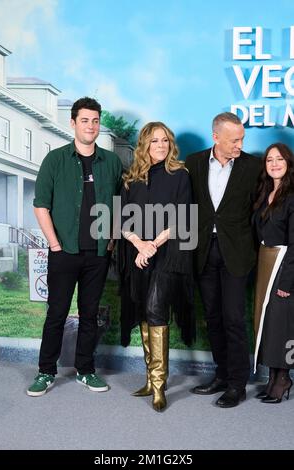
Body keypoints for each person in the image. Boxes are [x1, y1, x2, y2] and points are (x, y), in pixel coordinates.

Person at [27, 97, 123, 397]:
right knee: (56, 313)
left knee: (90, 314)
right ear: (72, 123)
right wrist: (54, 244)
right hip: (63, 251)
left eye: (95, 120)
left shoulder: (112, 162)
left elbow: (120, 206)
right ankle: (45, 371)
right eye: (85, 120)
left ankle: (85, 370)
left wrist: (110, 240)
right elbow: (40, 205)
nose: (91, 126)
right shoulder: (55, 160)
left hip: (97, 254)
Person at [185, 112, 261, 408]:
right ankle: (221, 374)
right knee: (214, 318)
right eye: (234, 140)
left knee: (233, 319)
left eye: (242, 139)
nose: (240, 145)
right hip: (203, 250)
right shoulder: (193, 163)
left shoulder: (253, 167)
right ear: (215, 137)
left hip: (237, 252)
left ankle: (237, 384)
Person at [118, 122, 196, 412]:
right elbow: (122, 221)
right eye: (154, 141)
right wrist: (140, 245)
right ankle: (150, 379)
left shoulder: (180, 175)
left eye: (165, 140)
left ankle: (159, 386)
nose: (161, 145)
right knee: (142, 310)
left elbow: (182, 217)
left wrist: (152, 244)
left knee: (155, 308)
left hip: (169, 253)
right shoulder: (130, 179)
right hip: (139, 253)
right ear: (144, 146)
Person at [253, 143, 294, 404]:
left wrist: (288, 281)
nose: (274, 164)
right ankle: (271, 377)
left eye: (280, 159)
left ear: (288, 163)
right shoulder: (265, 192)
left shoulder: (292, 196)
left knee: (283, 324)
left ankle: (283, 379)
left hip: (285, 263)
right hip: (265, 261)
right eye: (269, 160)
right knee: (267, 322)